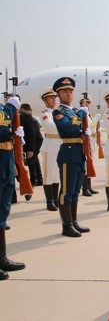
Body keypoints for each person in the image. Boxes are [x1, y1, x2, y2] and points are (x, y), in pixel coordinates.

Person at [52, 77, 90, 237]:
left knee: (75, 191)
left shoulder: (74, 112)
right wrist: (81, 114)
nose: (69, 93)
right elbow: (69, 128)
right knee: (66, 192)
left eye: (71, 91)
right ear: (59, 94)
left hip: (79, 153)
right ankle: (66, 226)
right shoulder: (59, 112)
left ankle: (74, 222)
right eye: (65, 91)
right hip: (68, 153)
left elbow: (78, 129)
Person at [0, 96, 26, 280]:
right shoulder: (5, 109)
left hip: (5, 159)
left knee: (2, 211)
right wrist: (10, 108)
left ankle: (1, 258)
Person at [39, 88, 61, 211]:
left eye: (55, 98)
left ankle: (56, 199)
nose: (54, 100)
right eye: (51, 98)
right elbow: (51, 127)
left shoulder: (58, 112)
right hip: (49, 146)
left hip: (59, 145)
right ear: (45, 99)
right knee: (48, 174)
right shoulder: (45, 113)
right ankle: (49, 201)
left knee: (57, 175)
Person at [79, 96, 99, 197]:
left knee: (90, 164)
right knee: (86, 165)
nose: (87, 105)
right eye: (85, 103)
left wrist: (95, 120)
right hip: (86, 142)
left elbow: (92, 127)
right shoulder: (81, 114)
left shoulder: (89, 115)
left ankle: (89, 187)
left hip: (92, 142)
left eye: (88, 103)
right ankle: (85, 188)